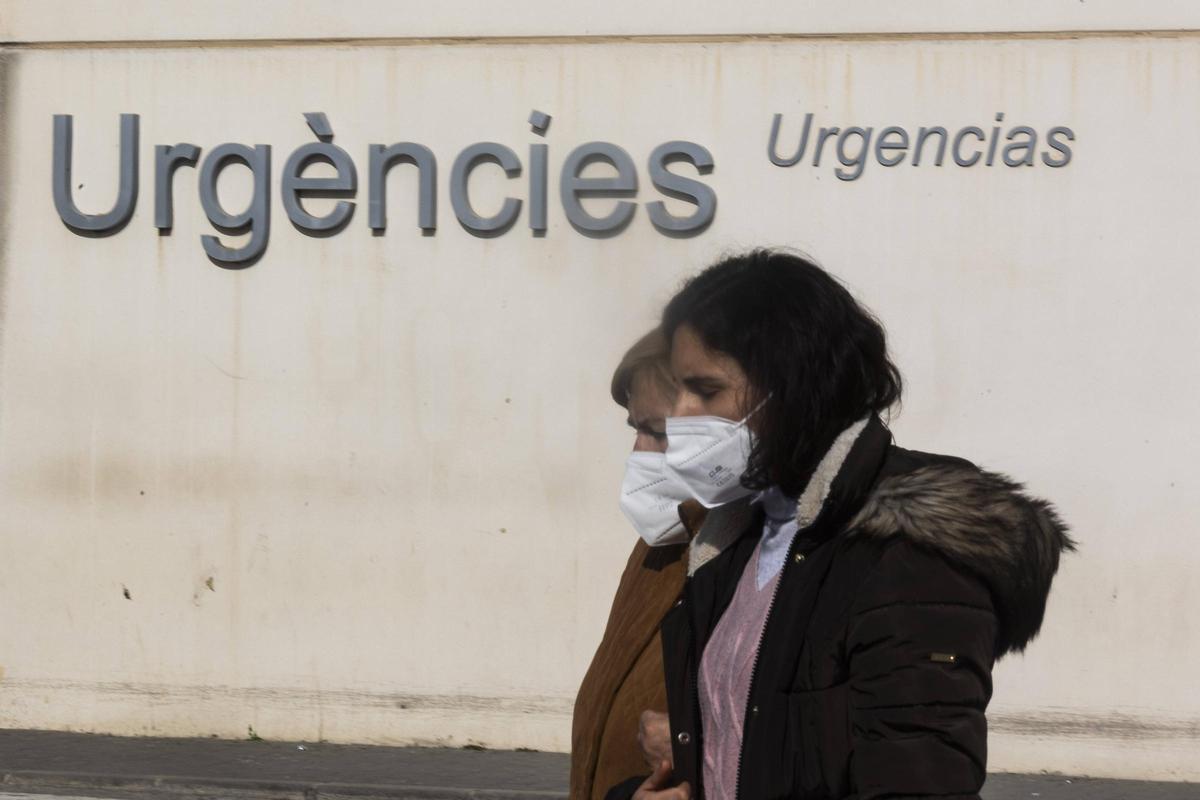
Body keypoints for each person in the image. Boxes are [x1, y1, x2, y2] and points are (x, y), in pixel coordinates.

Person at [624, 249, 1074, 800]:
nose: (681, 413)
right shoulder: (737, 535)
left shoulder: (908, 554)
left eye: (707, 390)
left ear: (790, 383)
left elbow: (915, 782)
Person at [571, 328, 704, 800]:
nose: (640, 455)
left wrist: (696, 744)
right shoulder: (663, 542)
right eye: (637, 430)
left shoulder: (757, 557)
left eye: (660, 433)